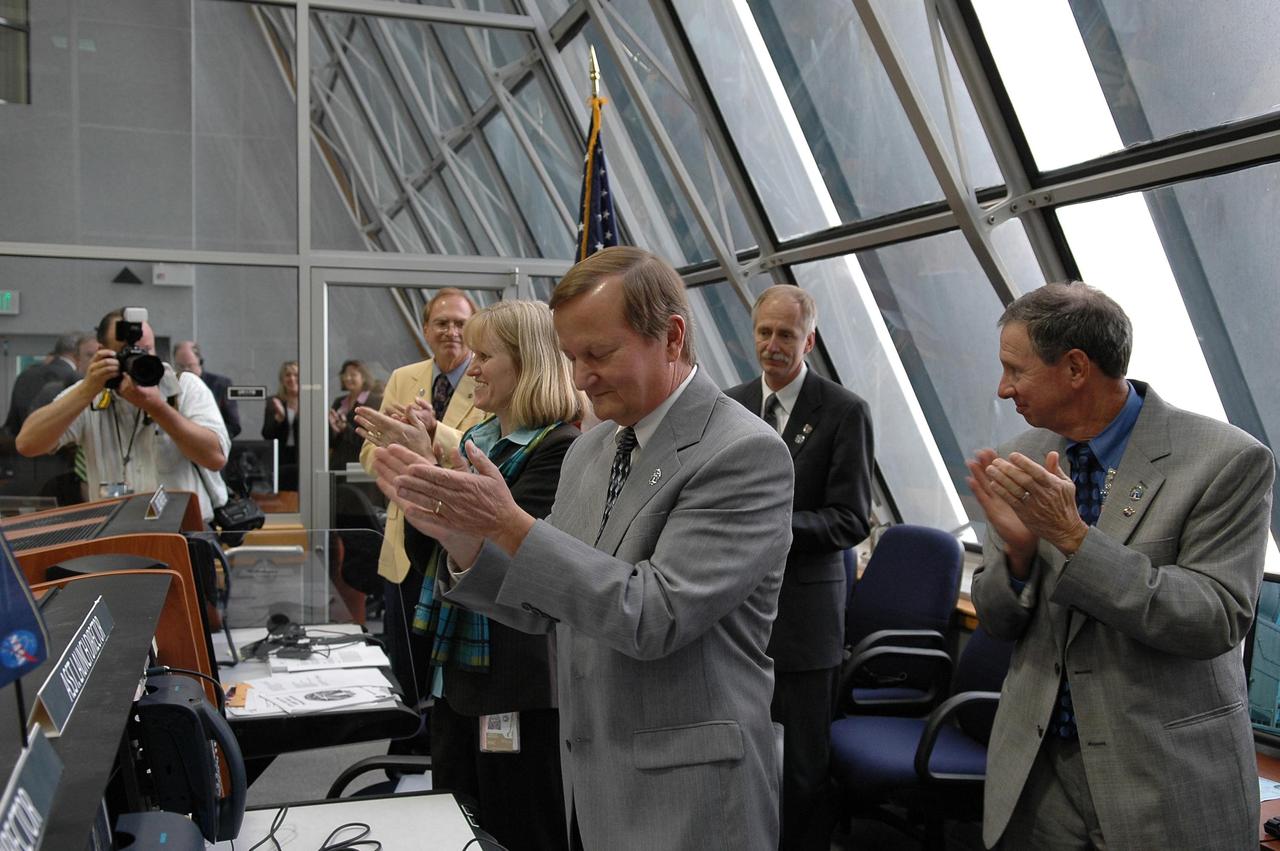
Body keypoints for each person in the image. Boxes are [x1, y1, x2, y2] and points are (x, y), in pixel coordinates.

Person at [373, 246, 794, 850]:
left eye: (599, 353)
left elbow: (652, 615)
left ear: (672, 337)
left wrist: (509, 524)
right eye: (571, 357)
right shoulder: (593, 451)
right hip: (592, 778)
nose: (581, 377)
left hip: (692, 791)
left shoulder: (742, 453)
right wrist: (460, 536)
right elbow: (546, 603)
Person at [966, 282, 1274, 849]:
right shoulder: (1027, 455)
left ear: (1076, 368)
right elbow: (1000, 624)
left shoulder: (1226, 461)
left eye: (1016, 370)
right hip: (1038, 775)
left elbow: (1216, 619)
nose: (1003, 388)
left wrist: (1075, 540)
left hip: (1159, 780)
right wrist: (1016, 556)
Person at [365, 300, 580, 851]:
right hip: (457, 676)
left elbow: (513, 565)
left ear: (528, 364)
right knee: (456, 823)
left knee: (518, 827)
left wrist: (430, 477)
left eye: (486, 355)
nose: (473, 367)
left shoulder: (559, 451)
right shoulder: (476, 441)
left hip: (516, 681)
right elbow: (426, 552)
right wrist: (421, 480)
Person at [726, 284, 873, 851]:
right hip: (733, 615)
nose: (772, 344)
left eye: (786, 334)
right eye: (764, 331)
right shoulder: (730, 405)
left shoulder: (843, 412)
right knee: (742, 752)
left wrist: (774, 527)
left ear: (808, 340)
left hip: (804, 618)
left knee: (803, 767)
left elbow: (850, 520)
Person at [355, 288, 484, 752]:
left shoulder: (488, 377)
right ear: (425, 329)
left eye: (459, 323)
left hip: (455, 545)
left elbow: (481, 452)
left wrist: (432, 433)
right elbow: (372, 447)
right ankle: (405, 751)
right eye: (441, 323)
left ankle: (444, 753)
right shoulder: (403, 378)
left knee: (447, 665)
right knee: (404, 662)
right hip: (404, 548)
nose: (451, 332)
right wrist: (400, 474)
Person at [16, 308, 229, 521]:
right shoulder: (88, 393)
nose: (138, 359)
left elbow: (215, 457)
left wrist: (158, 408)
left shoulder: (184, 387)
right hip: (115, 534)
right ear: (102, 352)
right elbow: (28, 444)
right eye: (127, 352)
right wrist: (88, 389)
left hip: (183, 532)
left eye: (146, 350)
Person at [174, 340, 241, 439]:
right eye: (181, 367)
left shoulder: (220, 385)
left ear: (200, 362)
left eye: (190, 366)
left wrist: (213, 438)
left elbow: (233, 425)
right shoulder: (172, 386)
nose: (186, 371)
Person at [328, 359, 380, 470]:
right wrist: (333, 429)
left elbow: (371, 438)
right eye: (345, 374)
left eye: (353, 375)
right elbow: (331, 441)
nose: (347, 378)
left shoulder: (375, 402)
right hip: (338, 464)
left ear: (364, 377)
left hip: (360, 467)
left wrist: (345, 428)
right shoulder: (338, 402)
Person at [261, 361, 300, 490]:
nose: (292, 379)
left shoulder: (310, 401)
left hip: (304, 456)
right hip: (281, 458)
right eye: (288, 375)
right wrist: (279, 419)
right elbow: (266, 434)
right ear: (282, 379)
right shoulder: (274, 401)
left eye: (296, 375)